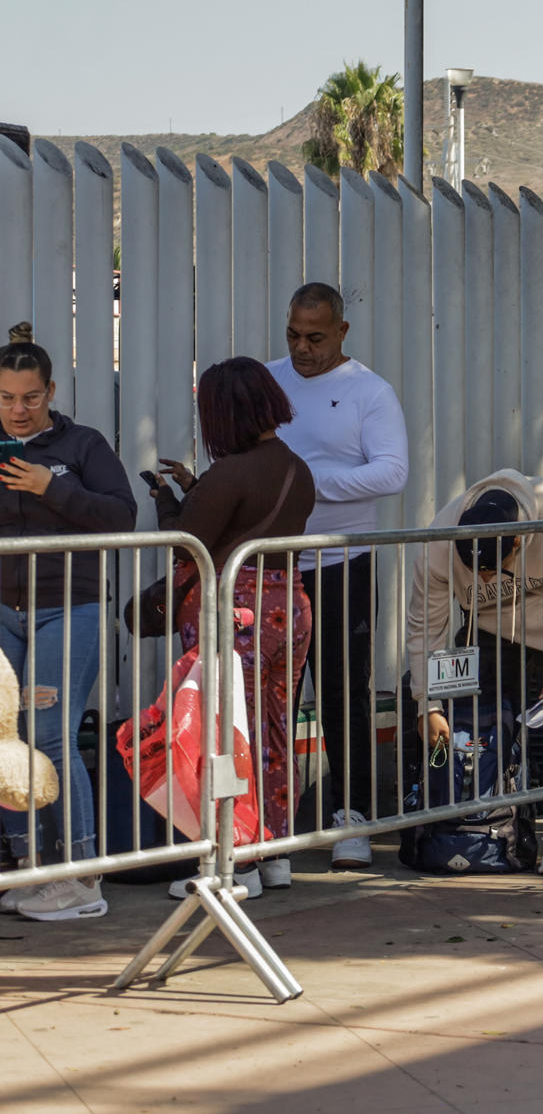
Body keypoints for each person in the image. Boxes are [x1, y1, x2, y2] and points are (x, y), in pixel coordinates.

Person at [150, 357, 317, 894]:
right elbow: (247, 514)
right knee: (271, 733)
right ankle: (274, 852)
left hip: (233, 612)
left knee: (225, 736)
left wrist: (170, 502)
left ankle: (232, 862)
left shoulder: (231, 473)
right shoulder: (296, 467)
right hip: (288, 607)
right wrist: (196, 489)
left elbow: (188, 545)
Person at [266, 283, 409, 872]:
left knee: (342, 692)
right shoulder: (268, 379)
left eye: (316, 337)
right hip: (271, 563)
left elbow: (392, 472)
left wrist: (310, 485)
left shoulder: (369, 392)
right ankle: (269, 823)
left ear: (343, 332)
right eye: (294, 335)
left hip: (341, 561)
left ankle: (351, 816)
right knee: (269, 697)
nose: (303, 348)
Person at [406, 472, 543, 876]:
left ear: (517, 542)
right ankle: (504, 823)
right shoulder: (438, 542)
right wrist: (426, 704)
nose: (483, 578)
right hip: (490, 629)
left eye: (491, 568)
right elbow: (424, 628)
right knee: (489, 725)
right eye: (475, 570)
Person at [0, 324, 137, 921]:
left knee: (53, 736)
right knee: (8, 744)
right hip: (5, 610)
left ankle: (81, 877)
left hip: (69, 604)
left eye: (30, 397)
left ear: (50, 391)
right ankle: (29, 869)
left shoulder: (82, 446)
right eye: (5, 398)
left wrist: (51, 487)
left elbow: (122, 517)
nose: (18, 410)